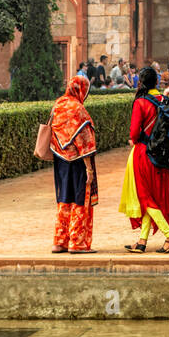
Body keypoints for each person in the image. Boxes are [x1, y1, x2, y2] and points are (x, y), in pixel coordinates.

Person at [118, 67, 169, 254]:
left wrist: (132, 139)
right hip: (161, 154)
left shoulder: (141, 102)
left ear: (141, 82)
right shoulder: (163, 99)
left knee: (144, 196)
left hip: (143, 153)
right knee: (150, 197)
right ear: (156, 82)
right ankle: (142, 241)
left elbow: (134, 132)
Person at [50, 74, 99, 254]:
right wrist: (89, 169)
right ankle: (77, 243)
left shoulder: (58, 104)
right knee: (80, 200)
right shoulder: (78, 109)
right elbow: (83, 140)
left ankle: (59, 241)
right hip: (78, 162)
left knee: (64, 199)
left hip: (60, 161)